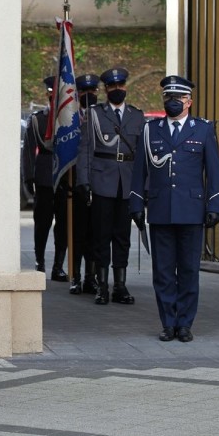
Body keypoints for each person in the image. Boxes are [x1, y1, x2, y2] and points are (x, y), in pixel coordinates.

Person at [130, 76, 219, 342]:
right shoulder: (151, 130)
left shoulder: (203, 129)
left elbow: (214, 171)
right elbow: (140, 171)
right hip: (160, 210)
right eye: (169, 98)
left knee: (189, 269)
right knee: (163, 271)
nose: (173, 103)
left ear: (189, 102)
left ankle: (185, 323)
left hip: (192, 210)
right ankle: (168, 323)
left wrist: (214, 203)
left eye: (179, 99)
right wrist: (136, 202)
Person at [75, 67, 144, 305]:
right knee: (102, 235)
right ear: (105, 90)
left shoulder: (137, 116)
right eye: (112, 87)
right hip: (102, 181)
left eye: (120, 86)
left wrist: (142, 187)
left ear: (125, 87)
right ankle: (102, 285)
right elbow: (85, 149)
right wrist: (83, 180)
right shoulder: (95, 114)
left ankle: (120, 286)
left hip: (126, 183)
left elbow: (142, 156)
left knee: (122, 236)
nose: (117, 90)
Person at [23, 76, 69, 281]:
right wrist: (29, 177)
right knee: (41, 224)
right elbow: (28, 151)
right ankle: (39, 261)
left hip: (65, 177)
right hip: (43, 176)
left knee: (63, 225)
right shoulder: (37, 119)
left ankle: (58, 265)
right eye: (50, 92)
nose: (53, 95)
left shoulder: (69, 119)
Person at [69, 74, 101, 295]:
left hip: (98, 182)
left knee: (95, 233)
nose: (89, 96)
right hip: (74, 184)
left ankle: (91, 276)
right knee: (77, 234)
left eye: (93, 91)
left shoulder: (101, 117)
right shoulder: (69, 119)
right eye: (84, 92)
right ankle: (76, 276)